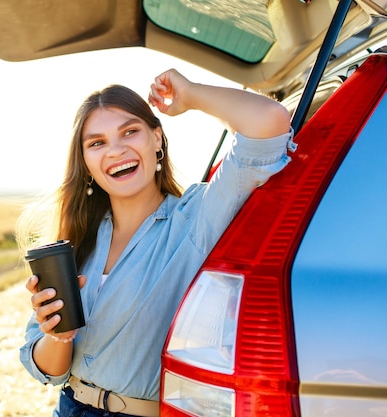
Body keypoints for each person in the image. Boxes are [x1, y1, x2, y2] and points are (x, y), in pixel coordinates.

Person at [17, 68, 295, 417]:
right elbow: (50, 371)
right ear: (86, 163)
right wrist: (59, 334)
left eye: (130, 132)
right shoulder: (76, 238)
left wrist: (191, 94)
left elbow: (268, 122)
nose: (116, 150)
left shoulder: (195, 219)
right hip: (70, 408)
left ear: (157, 139)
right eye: (97, 143)